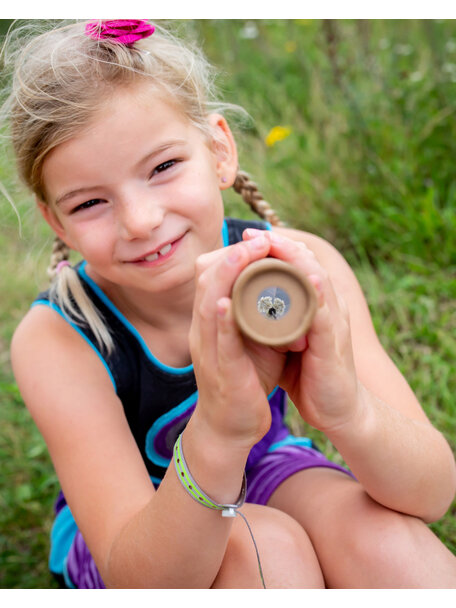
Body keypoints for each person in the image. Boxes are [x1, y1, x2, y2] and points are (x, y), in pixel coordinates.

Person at [4, 19, 456, 589]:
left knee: (382, 539)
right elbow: (141, 577)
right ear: (56, 222)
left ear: (218, 149)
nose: (141, 221)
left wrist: (347, 410)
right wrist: (217, 430)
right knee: (268, 549)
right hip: (139, 530)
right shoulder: (59, 339)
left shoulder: (300, 271)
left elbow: (433, 494)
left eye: (163, 167)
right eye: (91, 201)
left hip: (264, 468)